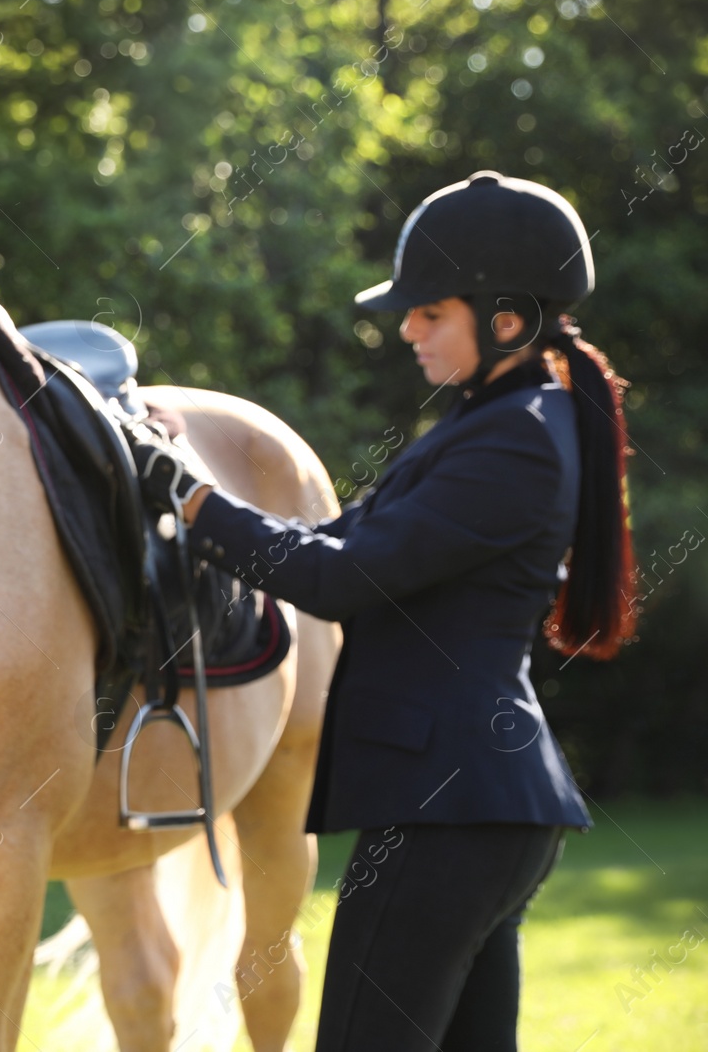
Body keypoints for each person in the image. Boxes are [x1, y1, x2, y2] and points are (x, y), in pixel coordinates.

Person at [165, 171, 637, 1050]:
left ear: (505, 319)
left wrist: (191, 502)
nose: (408, 328)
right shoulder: (489, 420)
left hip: (449, 815)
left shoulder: (515, 438)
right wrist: (204, 494)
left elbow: (344, 581)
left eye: (430, 312)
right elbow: (335, 540)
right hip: (474, 811)